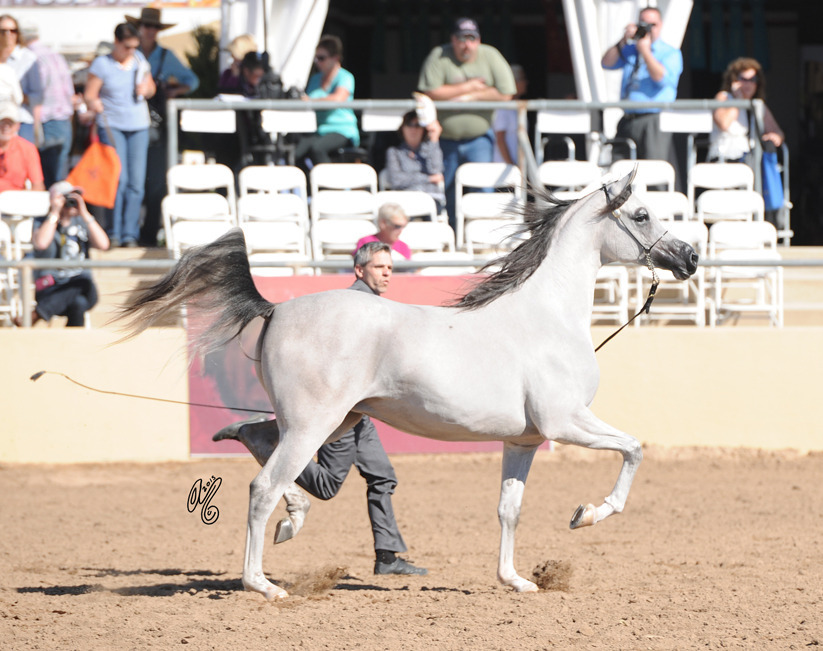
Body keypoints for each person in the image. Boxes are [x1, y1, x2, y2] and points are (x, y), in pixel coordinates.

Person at [212, 242, 427, 577]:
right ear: (359, 270)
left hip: (364, 410)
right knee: (326, 486)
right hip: (341, 409)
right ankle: (257, 435)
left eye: (390, 267)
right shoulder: (350, 309)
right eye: (379, 267)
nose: (387, 273)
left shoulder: (370, 307)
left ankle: (387, 557)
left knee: (382, 475)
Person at [417, 17, 516, 230]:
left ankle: (484, 233)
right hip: (446, 139)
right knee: (449, 189)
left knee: (483, 187)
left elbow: (506, 93)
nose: (467, 44)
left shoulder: (490, 55)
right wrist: (470, 87)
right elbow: (430, 91)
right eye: (462, 39)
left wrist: (469, 97)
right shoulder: (439, 55)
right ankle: (455, 233)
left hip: (480, 138)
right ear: (453, 39)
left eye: (472, 39)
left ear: (479, 40)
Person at [126, 7, 200, 247]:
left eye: (154, 27)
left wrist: (172, 91)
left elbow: (192, 81)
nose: (150, 31)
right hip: (130, 124)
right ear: (139, 28)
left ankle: (147, 235)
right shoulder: (129, 52)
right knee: (130, 181)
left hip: (155, 126)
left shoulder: (166, 56)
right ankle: (127, 234)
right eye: (147, 26)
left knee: (155, 182)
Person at [84, 22, 155, 248]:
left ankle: (130, 234)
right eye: (127, 46)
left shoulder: (140, 61)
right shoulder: (102, 64)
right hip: (112, 125)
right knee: (118, 179)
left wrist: (147, 90)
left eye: (134, 46)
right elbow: (89, 94)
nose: (131, 51)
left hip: (139, 126)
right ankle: (113, 231)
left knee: (136, 183)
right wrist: (94, 104)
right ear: (116, 43)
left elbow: (151, 87)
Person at [17, 180, 109, 327]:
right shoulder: (43, 222)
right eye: (67, 197)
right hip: (51, 288)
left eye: (75, 197)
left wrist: (85, 213)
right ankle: (71, 345)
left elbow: (104, 245)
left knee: (83, 283)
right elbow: (41, 243)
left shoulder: (82, 221)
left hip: (83, 285)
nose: (71, 202)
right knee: (79, 303)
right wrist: (55, 212)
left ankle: (37, 314)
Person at [600, 6, 683, 164]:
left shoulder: (670, 52)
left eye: (652, 25)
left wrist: (646, 52)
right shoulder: (630, 49)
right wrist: (623, 40)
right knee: (619, 171)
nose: (648, 30)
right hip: (628, 118)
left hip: (653, 120)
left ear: (660, 26)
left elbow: (661, 78)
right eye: (643, 24)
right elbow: (606, 63)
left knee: (653, 171)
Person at [294, 34, 360, 172]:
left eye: (321, 58)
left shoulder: (345, 77)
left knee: (317, 149)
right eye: (316, 58)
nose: (318, 62)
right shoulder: (314, 79)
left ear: (335, 58)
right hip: (319, 130)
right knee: (296, 154)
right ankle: (310, 185)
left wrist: (311, 100)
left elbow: (338, 98)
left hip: (342, 130)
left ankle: (330, 186)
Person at [23, 25, 75, 188]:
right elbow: (69, 93)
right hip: (62, 121)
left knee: (43, 180)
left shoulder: (29, 57)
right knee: (58, 182)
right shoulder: (55, 55)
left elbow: (36, 95)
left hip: (44, 122)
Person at [709, 57, 784, 163]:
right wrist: (738, 101)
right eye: (743, 79)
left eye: (753, 80)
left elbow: (778, 132)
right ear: (734, 80)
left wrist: (776, 137)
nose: (748, 84)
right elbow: (724, 124)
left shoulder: (758, 104)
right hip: (724, 157)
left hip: (750, 159)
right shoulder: (724, 97)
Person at [384, 109, 445, 214]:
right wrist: (428, 178)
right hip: (405, 199)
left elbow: (436, 170)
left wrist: (434, 139)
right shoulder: (394, 152)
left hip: (430, 199)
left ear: (423, 130)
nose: (413, 129)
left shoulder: (430, 149)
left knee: (430, 209)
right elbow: (396, 180)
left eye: (417, 125)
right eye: (409, 125)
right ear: (402, 128)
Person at [0, 14, 42, 146]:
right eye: (3, 31)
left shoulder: (28, 58)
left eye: (13, 30)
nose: (8, 34)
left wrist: (11, 95)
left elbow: (38, 96)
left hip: (21, 121)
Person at [0, 100, 44, 191]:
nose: (6, 127)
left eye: (10, 123)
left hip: (15, 200)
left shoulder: (27, 149)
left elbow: (37, 184)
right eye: (2, 122)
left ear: (17, 126)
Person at [493, 64, 528, 165]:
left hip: (517, 165)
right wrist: (512, 165)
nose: (526, 82)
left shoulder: (517, 106)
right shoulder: (503, 107)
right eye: (523, 79)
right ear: (514, 83)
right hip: (503, 168)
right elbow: (500, 139)